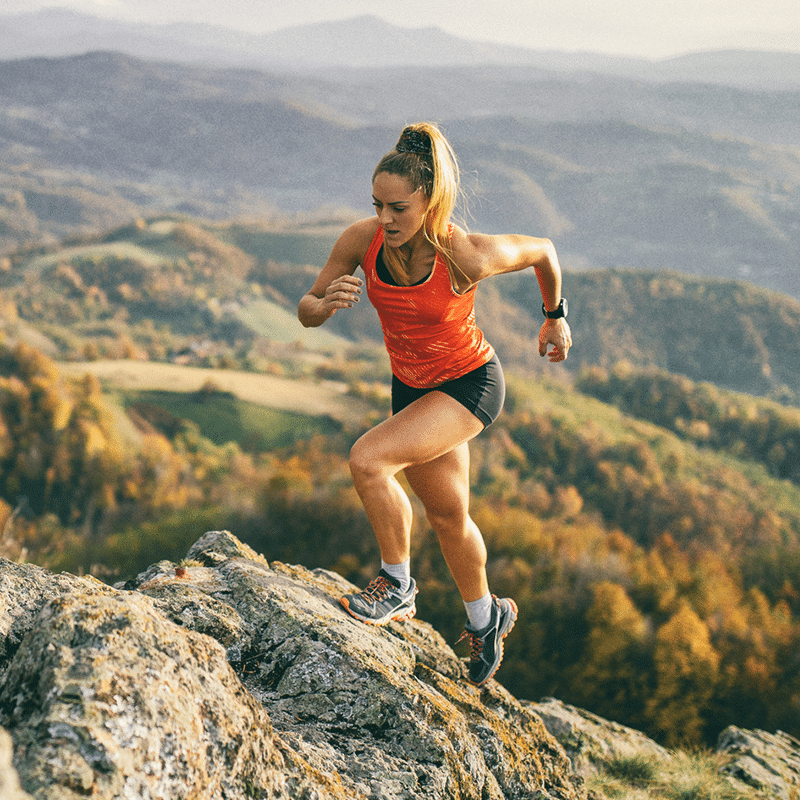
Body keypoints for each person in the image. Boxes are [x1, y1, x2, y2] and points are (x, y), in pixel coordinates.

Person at [298, 122, 572, 687]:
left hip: (470, 384)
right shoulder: (361, 241)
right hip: (414, 389)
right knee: (448, 516)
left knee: (368, 460)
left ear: (430, 202)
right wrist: (324, 306)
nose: (386, 219)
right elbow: (305, 306)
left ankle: (396, 587)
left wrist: (555, 316)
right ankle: (486, 617)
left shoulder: (463, 254)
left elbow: (543, 251)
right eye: (378, 205)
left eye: (398, 207)